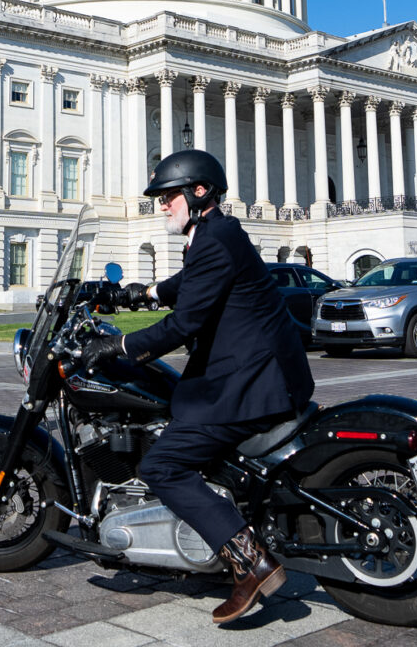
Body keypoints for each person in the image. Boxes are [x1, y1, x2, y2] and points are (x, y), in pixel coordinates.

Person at [78, 150, 314, 625]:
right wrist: (135, 293)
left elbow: (184, 323)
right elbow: (188, 285)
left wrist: (119, 345)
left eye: (168, 197)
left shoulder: (213, 238)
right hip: (256, 373)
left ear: (198, 191)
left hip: (251, 382)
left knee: (162, 464)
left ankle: (250, 561)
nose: (162, 205)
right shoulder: (215, 234)